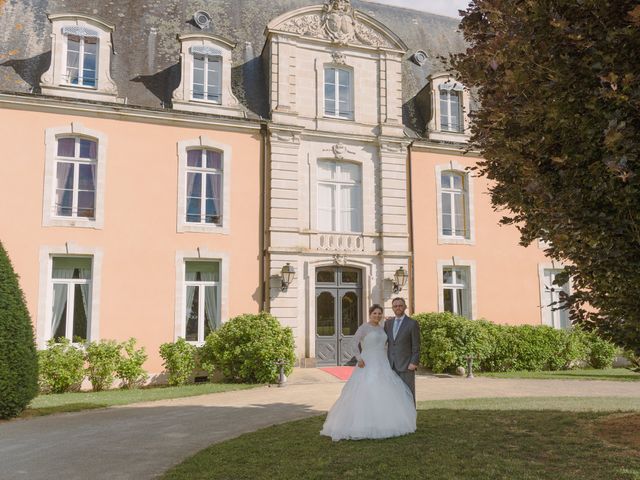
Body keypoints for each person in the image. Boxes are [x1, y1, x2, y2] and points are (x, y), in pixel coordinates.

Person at [320, 304, 417, 441]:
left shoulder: (383, 328)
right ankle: (362, 424)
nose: (377, 316)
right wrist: (359, 358)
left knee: (384, 389)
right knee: (367, 389)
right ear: (369, 314)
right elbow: (353, 343)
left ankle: (385, 422)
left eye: (379, 314)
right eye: (374, 313)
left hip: (382, 362)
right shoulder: (364, 328)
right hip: (367, 362)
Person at [384, 297, 420, 403]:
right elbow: (383, 341)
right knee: (394, 393)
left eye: (400, 305)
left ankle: (411, 417)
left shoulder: (412, 323)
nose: (398, 308)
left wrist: (414, 362)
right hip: (391, 365)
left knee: (408, 392)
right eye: (395, 306)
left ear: (405, 307)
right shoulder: (388, 323)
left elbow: (416, 345)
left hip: (407, 365)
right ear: (392, 308)